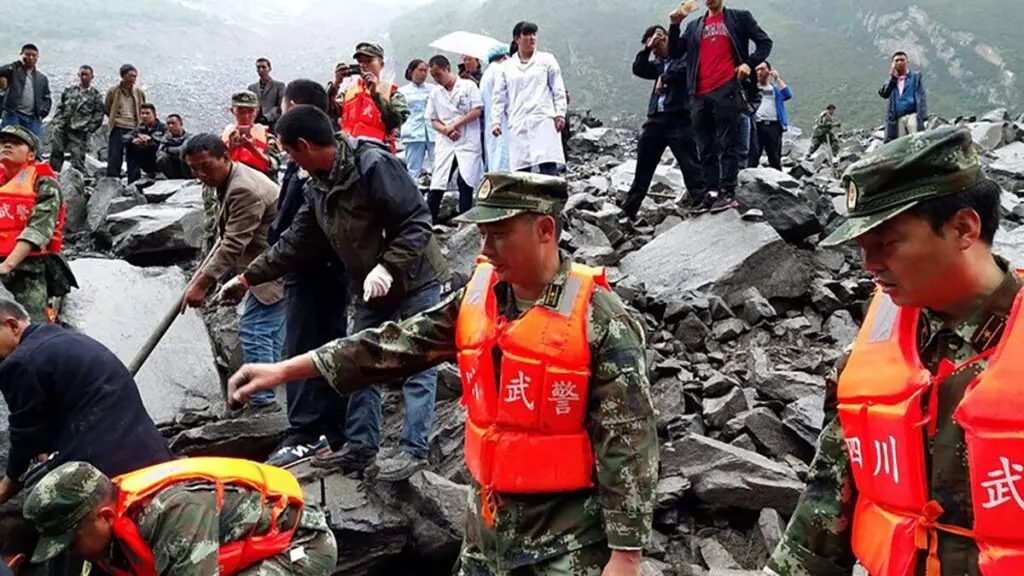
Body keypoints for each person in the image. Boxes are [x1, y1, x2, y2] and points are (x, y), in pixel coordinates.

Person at [227, 172, 658, 576]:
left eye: (499, 235)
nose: (484, 250)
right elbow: (392, 345)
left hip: (567, 543)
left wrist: (626, 555)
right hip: (486, 530)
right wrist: (285, 369)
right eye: (483, 234)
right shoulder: (479, 297)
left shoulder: (598, 319)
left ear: (546, 230)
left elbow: (628, 438)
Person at [765, 127, 1022, 576]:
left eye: (886, 243)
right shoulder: (874, 352)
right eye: (862, 248)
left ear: (964, 228)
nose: (869, 267)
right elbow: (828, 499)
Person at [218, 105, 447, 481]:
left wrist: (389, 266)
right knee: (360, 360)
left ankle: (414, 451)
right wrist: (247, 278)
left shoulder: (374, 165)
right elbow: (295, 241)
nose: (290, 161)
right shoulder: (318, 185)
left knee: (418, 360)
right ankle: (360, 446)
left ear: (305, 145)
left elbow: (417, 221)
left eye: (290, 152)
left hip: (415, 277)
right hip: (368, 285)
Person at [23, 459, 337, 575]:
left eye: (70, 541)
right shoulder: (110, 512)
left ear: (104, 517)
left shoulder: (171, 515)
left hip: (302, 546)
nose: (70, 552)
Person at [0, 297, 171, 505]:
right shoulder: (64, 338)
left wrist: (9, 483)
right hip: (150, 450)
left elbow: (24, 435)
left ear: (12, 325)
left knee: (34, 502)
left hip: (107, 470)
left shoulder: (19, 363)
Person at [264, 79, 351, 469]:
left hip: (311, 268)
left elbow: (295, 222)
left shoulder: (309, 161)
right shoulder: (333, 153)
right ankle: (330, 426)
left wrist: (273, 247)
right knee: (327, 342)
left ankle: (311, 432)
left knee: (304, 345)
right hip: (329, 268)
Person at [182, 133, 285, 411]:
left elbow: (233, 243)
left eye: (206, 166)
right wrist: (202, 274)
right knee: (270, 333)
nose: (200, 174)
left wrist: (203, 284)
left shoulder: (243, 189)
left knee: (256, 330)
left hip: (274, 267)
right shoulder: (229, 180)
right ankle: (268, 395)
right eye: (193, 168)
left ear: (225, 157)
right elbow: (223, 235)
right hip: (268, 263)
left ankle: (263, 403)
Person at [669, 0, 773, 212]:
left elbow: (765, 43)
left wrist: (748, 64)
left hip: (727, 87)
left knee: (728, 142)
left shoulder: (739, 17)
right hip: (698, 92)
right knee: (705, 146)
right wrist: (674, 25)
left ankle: (727, 191)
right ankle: (711, 192)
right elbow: (675, 52)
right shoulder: (695, 26)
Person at [621, 24, 704, 219]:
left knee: (690, 164)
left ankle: (701, 200)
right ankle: (629, 209)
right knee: (644, 166)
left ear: (666, 39)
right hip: (656, 119)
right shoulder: (658, 63)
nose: (656, 51)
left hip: (679, 117)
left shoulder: (683, 55)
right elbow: (639, 68)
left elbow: (685, 70)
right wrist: (647, 49)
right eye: (653, 48)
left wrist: (665, 78)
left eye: (658, 45)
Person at [0, 126, 75, 323]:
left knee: (31, 327)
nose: (7, 145)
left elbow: (39, 227)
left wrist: (7, 265)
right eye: (3, 142)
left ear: (31, 154)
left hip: (27, 268)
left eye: (16, 143)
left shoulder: (44, 183)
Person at [491, 22, 568, 175]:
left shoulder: (546, 60)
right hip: (518, 122)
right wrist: (496, 122)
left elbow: (558, 88)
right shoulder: (506, 67)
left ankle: (550, 199)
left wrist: (560, 113)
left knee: (548, 169)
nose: (531, 38)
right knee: (522, 173)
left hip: (543, 121)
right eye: (526, 34)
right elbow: (499, 97)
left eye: (533, 34)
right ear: (516, 39)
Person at [426, 55, 484, 222]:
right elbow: (433, 119)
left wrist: (455, 125)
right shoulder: (435, 93)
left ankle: (465, 220)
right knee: (438, 181)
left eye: (438, 74)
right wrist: (446, 130)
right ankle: (430, 221)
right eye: (434, 76)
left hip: (467, 141)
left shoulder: (468, 86)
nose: (437, 79)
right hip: (446, 142)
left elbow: (476, 110)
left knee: (465, 181)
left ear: (447, 69)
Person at [329, 42, 410, 153]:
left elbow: (396, 121)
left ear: (381, 64)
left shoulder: (391, 92)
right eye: (360, 62)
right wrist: (335, 84)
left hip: (378, 153)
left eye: (369, 61)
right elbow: (329, 112)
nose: (363, 65)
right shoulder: (348, 91)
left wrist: (375, 95)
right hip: (348, 152)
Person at [48, 66, 104, 174]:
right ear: (78, 75)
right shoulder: (69, 90)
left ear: (92, 77)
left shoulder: (95, 95)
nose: (84, 77)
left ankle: (77, 179)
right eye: (82, 74)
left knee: (77, 155)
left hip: (80, 130)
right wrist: (57, 121)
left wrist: (89, 128)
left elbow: (98, 114)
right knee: (56, 151)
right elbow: (61, 106)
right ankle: (53, 175)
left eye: (86, 74)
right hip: (62, 126)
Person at [222, 90, 281, 180]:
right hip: (231, 182)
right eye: (240, 111)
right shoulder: (222, 139)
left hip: (259, 183)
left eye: (250, 111)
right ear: (232, 111)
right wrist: (230, 148)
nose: (246, 116)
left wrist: (252, 149)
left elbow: (275, 166)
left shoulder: (268, 138)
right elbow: (215, 166)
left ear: (256, 112)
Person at [104, 64, 146, 179]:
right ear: (123, 76)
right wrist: (115, 118)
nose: (133, 79)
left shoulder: (139, 92)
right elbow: (107, 107)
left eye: (135, 76)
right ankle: (112, 180)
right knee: (115, 156)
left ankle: (134, 182)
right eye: (130, 76)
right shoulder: (113, 91)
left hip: (133, 127)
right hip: (118, 126)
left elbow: (143, 108)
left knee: (133, 156)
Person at [747, 61, 791, 170]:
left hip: (773, 126)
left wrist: (777, 78)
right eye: (757, 69)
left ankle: (778, 182)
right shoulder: (751, 89)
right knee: (753, 156)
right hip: (756, 125)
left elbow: (787, 94)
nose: (759, 72)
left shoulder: (775, 89)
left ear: (769, 70)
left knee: (775, 157)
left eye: (762, 69)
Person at [398, 59, 436, 182]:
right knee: (413, 168)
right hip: (413, 133)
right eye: (420, 70)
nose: (423, 73)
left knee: (437, 165)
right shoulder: (402, 92)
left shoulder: (433, 89)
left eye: (425, 71)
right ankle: (412, 196)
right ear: (411, 71)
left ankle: (435, 194)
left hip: (432, 132)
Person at [0, 45, 50, 137]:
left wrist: (43, 112)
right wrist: (16, 64)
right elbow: (1, 71)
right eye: (27, 54)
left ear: (37, 57)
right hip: (13, 114)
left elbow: (47, 97)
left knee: (33, 145)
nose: (31, 57)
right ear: (21, 55)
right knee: (11, 140)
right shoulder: (13, 70)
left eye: (34, 55)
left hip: (33, 117)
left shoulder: (41, 78)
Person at [880, 50, 927, 142]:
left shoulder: (915, 77)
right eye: (896, 61)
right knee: (901, 142)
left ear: (907, 62)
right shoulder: (892, 80)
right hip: (898, 117)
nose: (899, 62)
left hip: (913, 114)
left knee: (916, 139)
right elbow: (884, 93)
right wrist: (893, 78)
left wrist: (923, 115)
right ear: (893, 63)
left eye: (902, 60)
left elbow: (921, 96)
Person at [480, 45, 510, 173]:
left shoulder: (486, 75)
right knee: (503, 154)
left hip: (490, 121)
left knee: (494, 154)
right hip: (502, 120)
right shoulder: (500, 70)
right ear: (505, 56)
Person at [122, 103, 165, 184]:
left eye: (147, 113)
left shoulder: (163, 127)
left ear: (155, 115)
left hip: (159, 160)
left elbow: (167, 141)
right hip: (145, 161)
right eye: (142, 113)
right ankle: (133, 181)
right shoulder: (139, 128)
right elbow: (125, 138)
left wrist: (150, 141)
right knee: (130, 147)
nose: (144, 116)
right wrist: (133, 140)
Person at [248, 57, 286, 133]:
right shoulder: (252, 88)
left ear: (269, 69)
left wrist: (267, 117)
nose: (261, 70)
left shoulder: (279, 86)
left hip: (273, 125)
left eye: (263, 67)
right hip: (255, 124)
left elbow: (281, 106)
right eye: (258, 67)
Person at [155, 113, 191, 179]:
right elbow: (159, 152)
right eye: (168, 124)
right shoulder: (166, 138)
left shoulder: (189, 137)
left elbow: (182, 150)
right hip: (172, 167)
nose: (171, 126)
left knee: (184, 156)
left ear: (181, 124)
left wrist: (168, 149)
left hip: (185, 167)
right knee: (161, 159)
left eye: (173, 123)